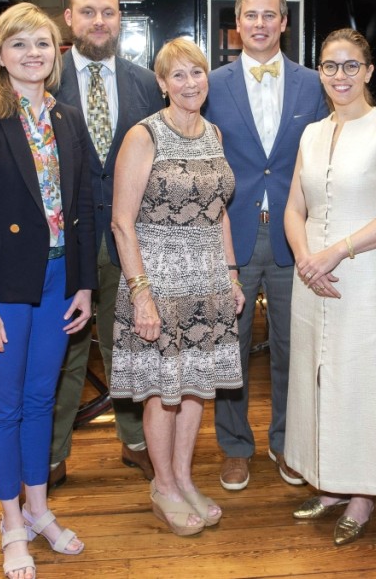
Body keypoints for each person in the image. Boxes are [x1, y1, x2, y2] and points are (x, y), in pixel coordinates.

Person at [0, 2, 95, 579]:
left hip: (60, 279)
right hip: (4, 286)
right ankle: (11, 523)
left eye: (42, 43)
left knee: (42, 402)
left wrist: (84, 284)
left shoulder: (66, 118)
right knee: (5, 407)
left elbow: (82, 205)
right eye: (20, 44)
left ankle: (38, 510)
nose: (33, 53)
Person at [284, 28, 376, 546]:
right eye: (328, 66)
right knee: (316, 378)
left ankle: (363, 494)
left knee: (362, 382)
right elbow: (295, 207)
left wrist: (334, 252)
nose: (338, 76)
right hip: (311, 277)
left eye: (349, 66)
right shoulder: (312, 133)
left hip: (361, 273)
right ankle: (330, 481)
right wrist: (305, 260)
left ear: (368, 72)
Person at [111, 37, 244, 536]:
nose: (191, 83)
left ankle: (185, 479)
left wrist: (230, 274)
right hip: (158, 281)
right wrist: (141, 294)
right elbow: (122, 222)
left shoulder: (214, 133)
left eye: (198, 72)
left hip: (208, 279)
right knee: (161, 392)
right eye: (178, 76)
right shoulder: (144, 136)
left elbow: (220, 213)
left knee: (194, 389)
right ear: (163, 84)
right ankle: (163, 485)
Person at [204, 0, 328, 491]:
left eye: (269, 15)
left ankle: (286, 441)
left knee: (290, 347)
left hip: (292, 235)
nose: (259, 23)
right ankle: (235, 447)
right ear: (237, 23)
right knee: (227, 347)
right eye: (250, 15)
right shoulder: (211, 83)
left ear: (284, 22)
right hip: (230, 235)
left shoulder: (314, 85)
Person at [50, 0, 164, 487]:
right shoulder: (45, 78)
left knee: (131, 346)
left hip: (128, 238)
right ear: (69, 19)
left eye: (109, 12)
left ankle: (135, 441)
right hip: (65, 240)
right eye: (88, 12)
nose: (100, 21)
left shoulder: (144, 82)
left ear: (121, 20)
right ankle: (52, 454)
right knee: (66, 351)